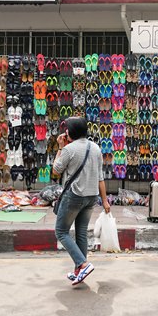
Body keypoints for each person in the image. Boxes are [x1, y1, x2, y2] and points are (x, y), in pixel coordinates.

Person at [52, 116, 110, 286]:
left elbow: (56, 170)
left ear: (70, 132)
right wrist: (105, 201)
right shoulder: (96, 148)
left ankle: (83, 264)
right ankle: (79, 270)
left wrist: (60, 148)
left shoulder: (69, 150)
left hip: (74, 196)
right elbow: (100, 177)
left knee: (61, 232)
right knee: (81, 232)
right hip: (91, 197)